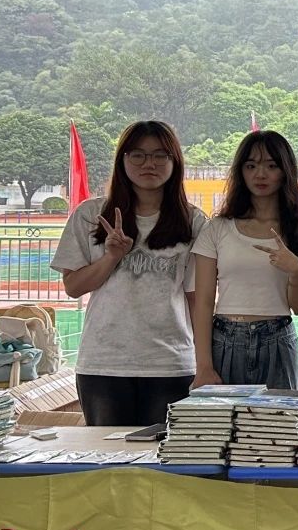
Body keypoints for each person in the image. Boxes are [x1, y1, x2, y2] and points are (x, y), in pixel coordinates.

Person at [51, 120, 206, 426]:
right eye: (138, 155)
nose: (149, 163)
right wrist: (111, 257)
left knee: (164, 452)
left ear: (175, 162)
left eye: (160, 155)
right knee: (108, 453)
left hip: (171, 364)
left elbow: (196, 300)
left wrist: (204, 364)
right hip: (103, 364)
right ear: (122, 160)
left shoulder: (193, 221)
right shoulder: (90, 215)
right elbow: (73, 286)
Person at [192, 131, 298, 389]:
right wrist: (203, 366)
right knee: (224, 417)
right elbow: (204, 302)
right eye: (251, 166)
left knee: (280, 415)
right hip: (225, 340)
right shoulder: (217, 228)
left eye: (271, 166)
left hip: (278, 340)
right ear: (241, 172)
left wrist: (297, 273)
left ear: (285, 171)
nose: (260, 174)